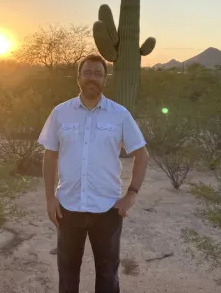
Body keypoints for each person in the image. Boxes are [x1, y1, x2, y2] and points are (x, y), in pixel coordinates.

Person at [38, 53, 150, 293]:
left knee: (108, 277)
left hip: (108, 209)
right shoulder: (60, 112)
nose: (92, 78)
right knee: (67, 275)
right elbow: (50, 155)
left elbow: (142, 155)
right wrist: (49, 198)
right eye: (87, 72)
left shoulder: (119, 114)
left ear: (105, 79)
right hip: (67, 208)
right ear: (78, 77)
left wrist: (131, 193)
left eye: (98, 74)